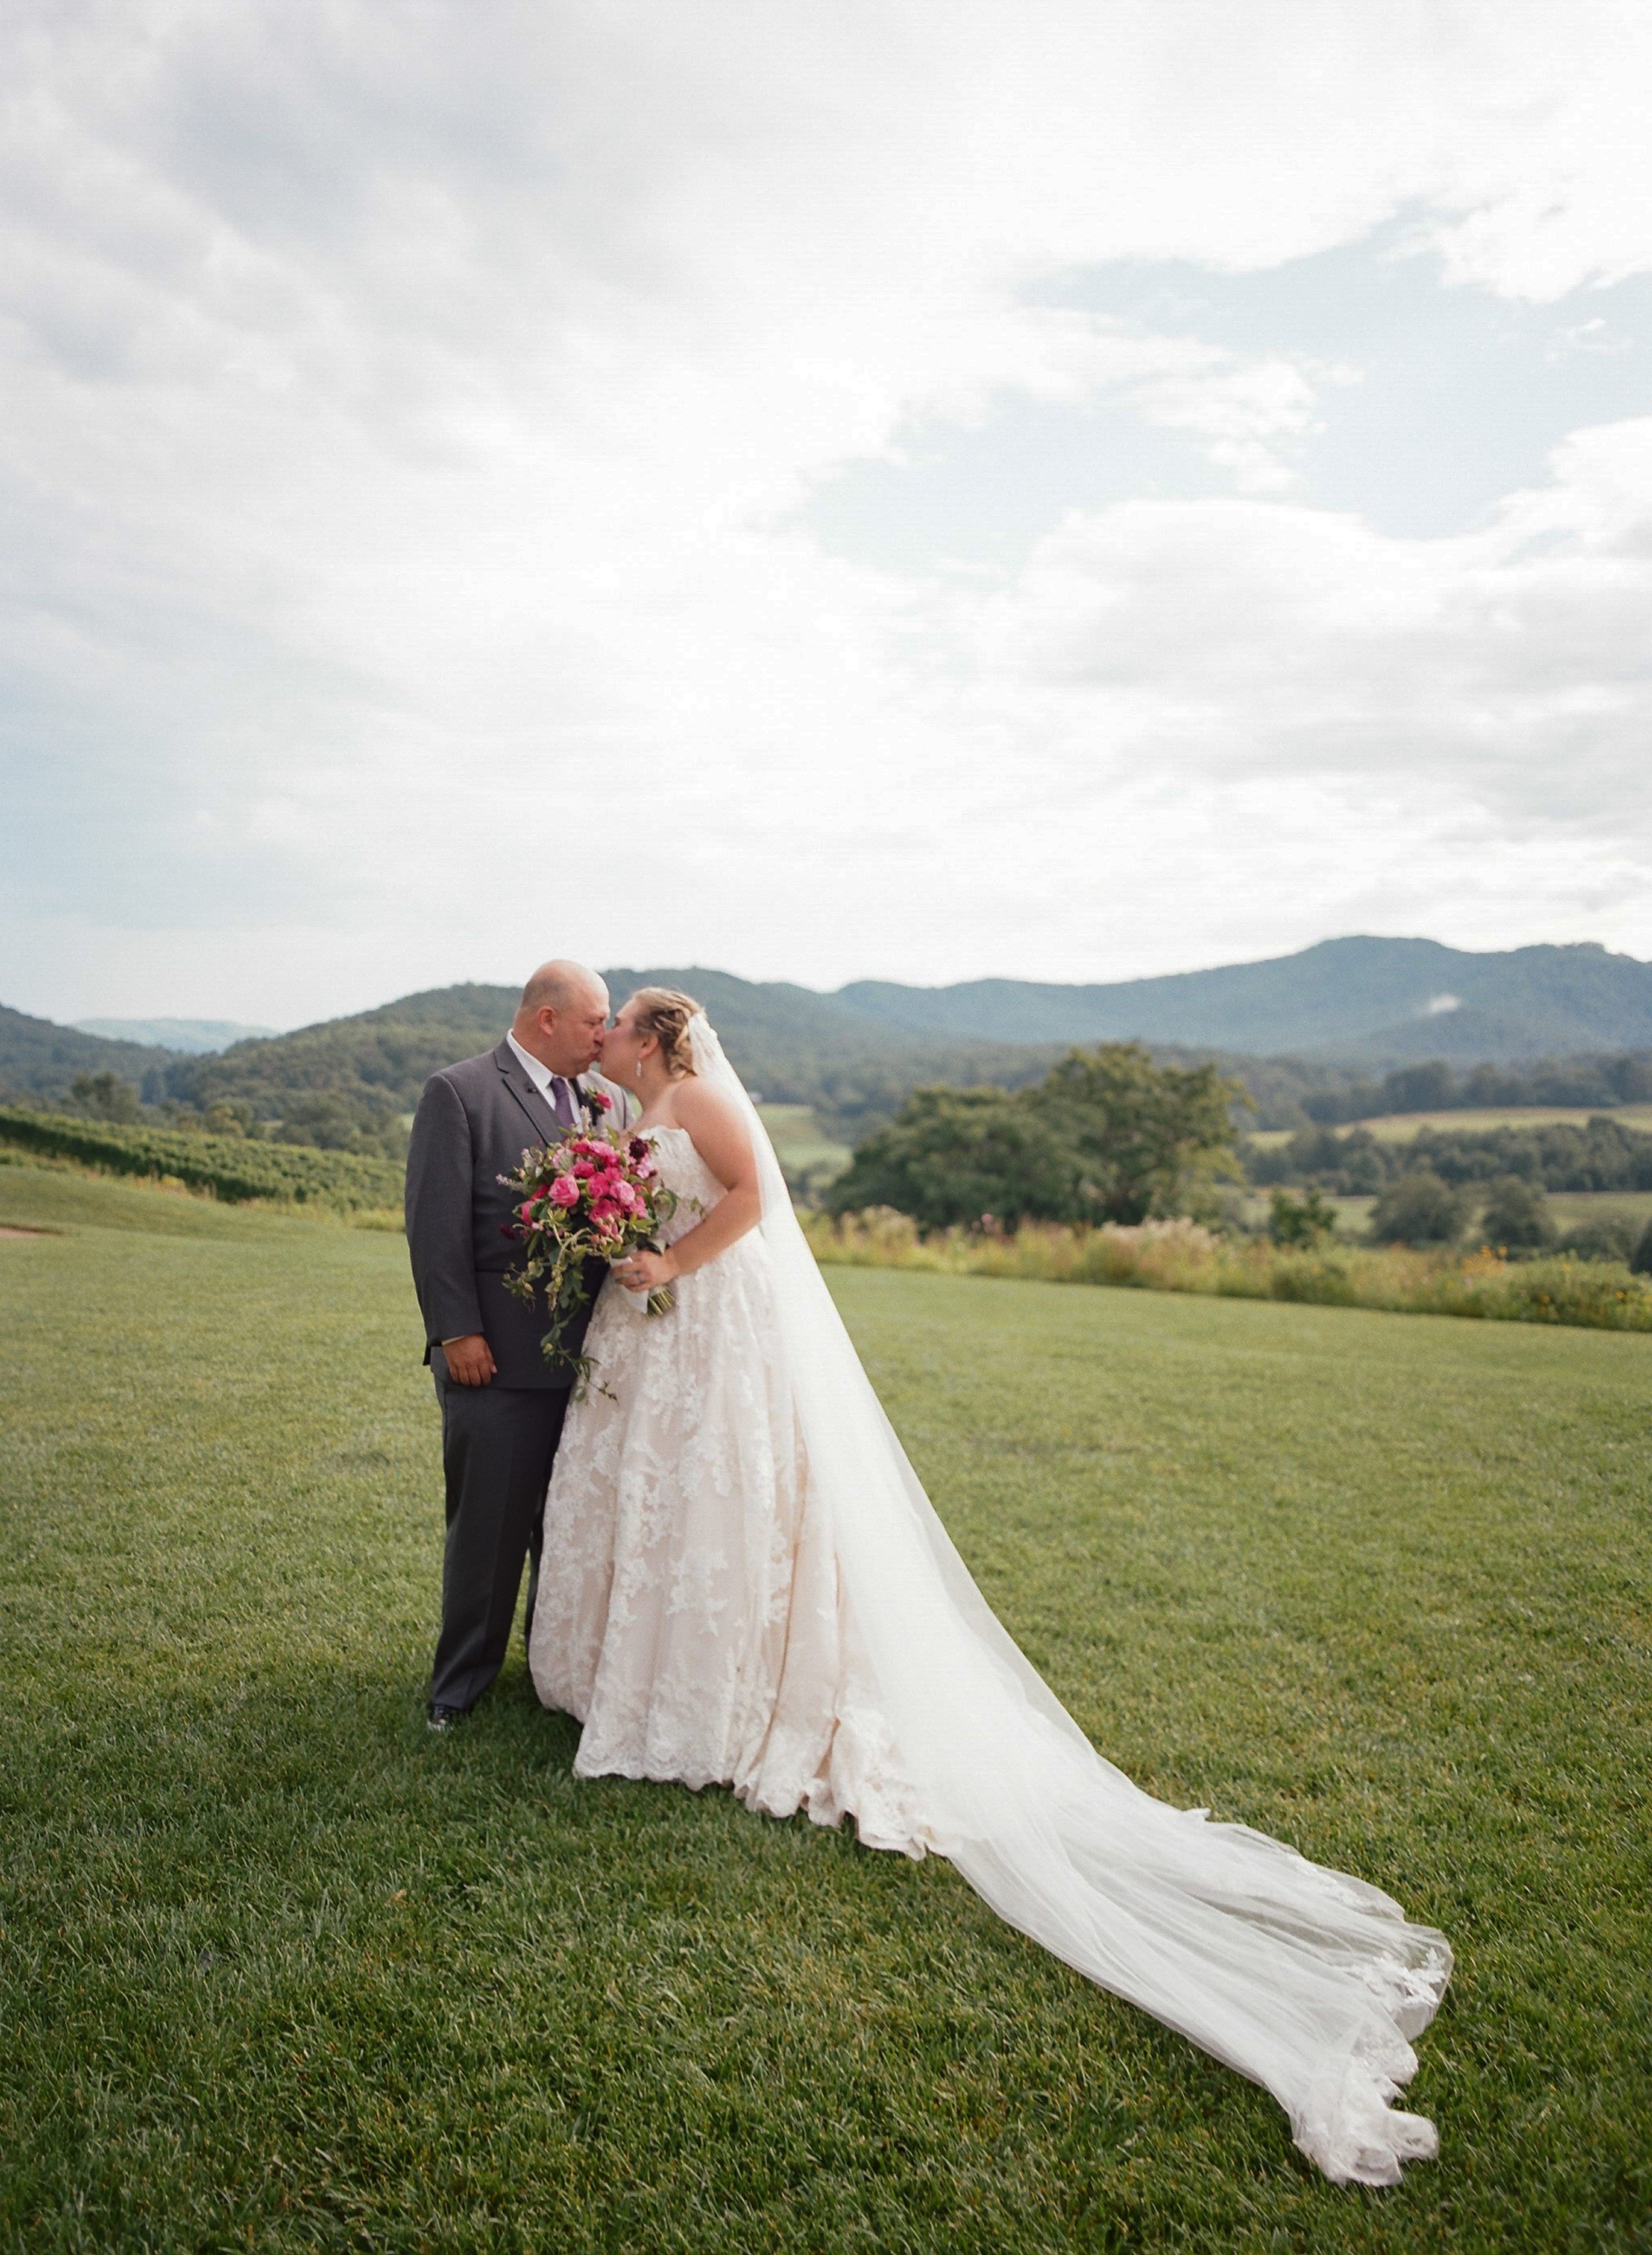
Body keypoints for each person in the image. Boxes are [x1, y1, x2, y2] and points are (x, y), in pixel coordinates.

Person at [529, 988, 1452, 2187]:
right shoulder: (622, 1104)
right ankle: (635, 1665)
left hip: (707, 1316)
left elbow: (756, 1198)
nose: (598, 1033)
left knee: (720, 1499)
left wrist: (669, 1259)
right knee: (663, 1500)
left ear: (653, 1036)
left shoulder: (698, 1094)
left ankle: (722, 1688)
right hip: (651, 1330)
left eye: (615, 1022)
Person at [405, 960, 631, 1729]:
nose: (604, 1035)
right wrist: (456, 1331)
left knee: (567, 1531)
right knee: (489, 1531)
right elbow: (433, 1227)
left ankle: (550, 1671)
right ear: (547, 1020)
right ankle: (457, 1688)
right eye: (594, 1021)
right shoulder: (459, 1092)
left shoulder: (607, 1102)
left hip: (590, 1360)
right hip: (493, 1359)